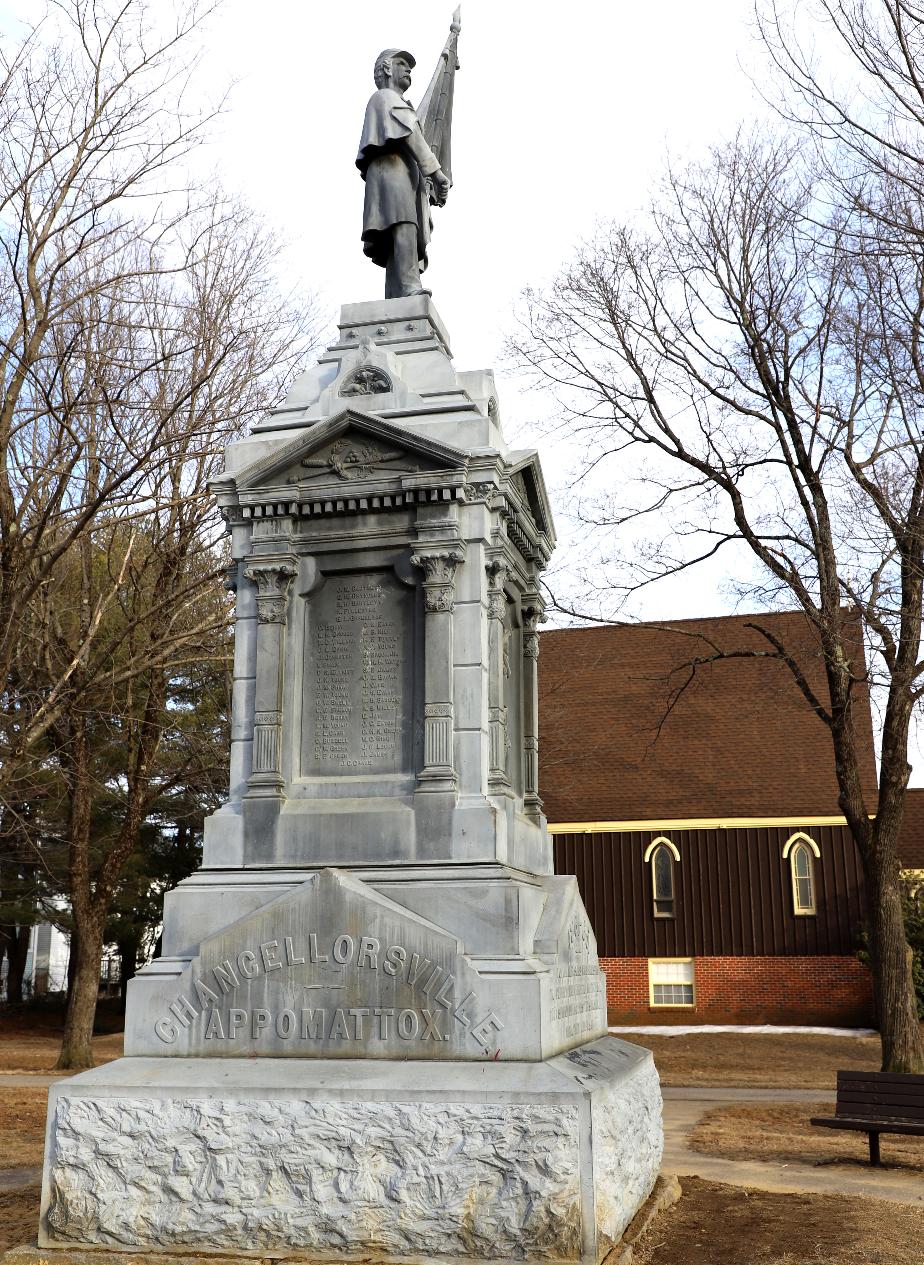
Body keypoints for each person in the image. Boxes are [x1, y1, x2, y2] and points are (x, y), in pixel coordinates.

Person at [356, 49, 452, 299]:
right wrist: (437, 172)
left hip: (402, 172)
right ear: (387, 69)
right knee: (403, 225)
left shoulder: (397, 102)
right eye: (402, 63)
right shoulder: (385, 97)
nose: (408, 69)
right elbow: (409, 134)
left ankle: (396, 293)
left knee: (400, 230)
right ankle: (409, 286)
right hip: (391, 169)